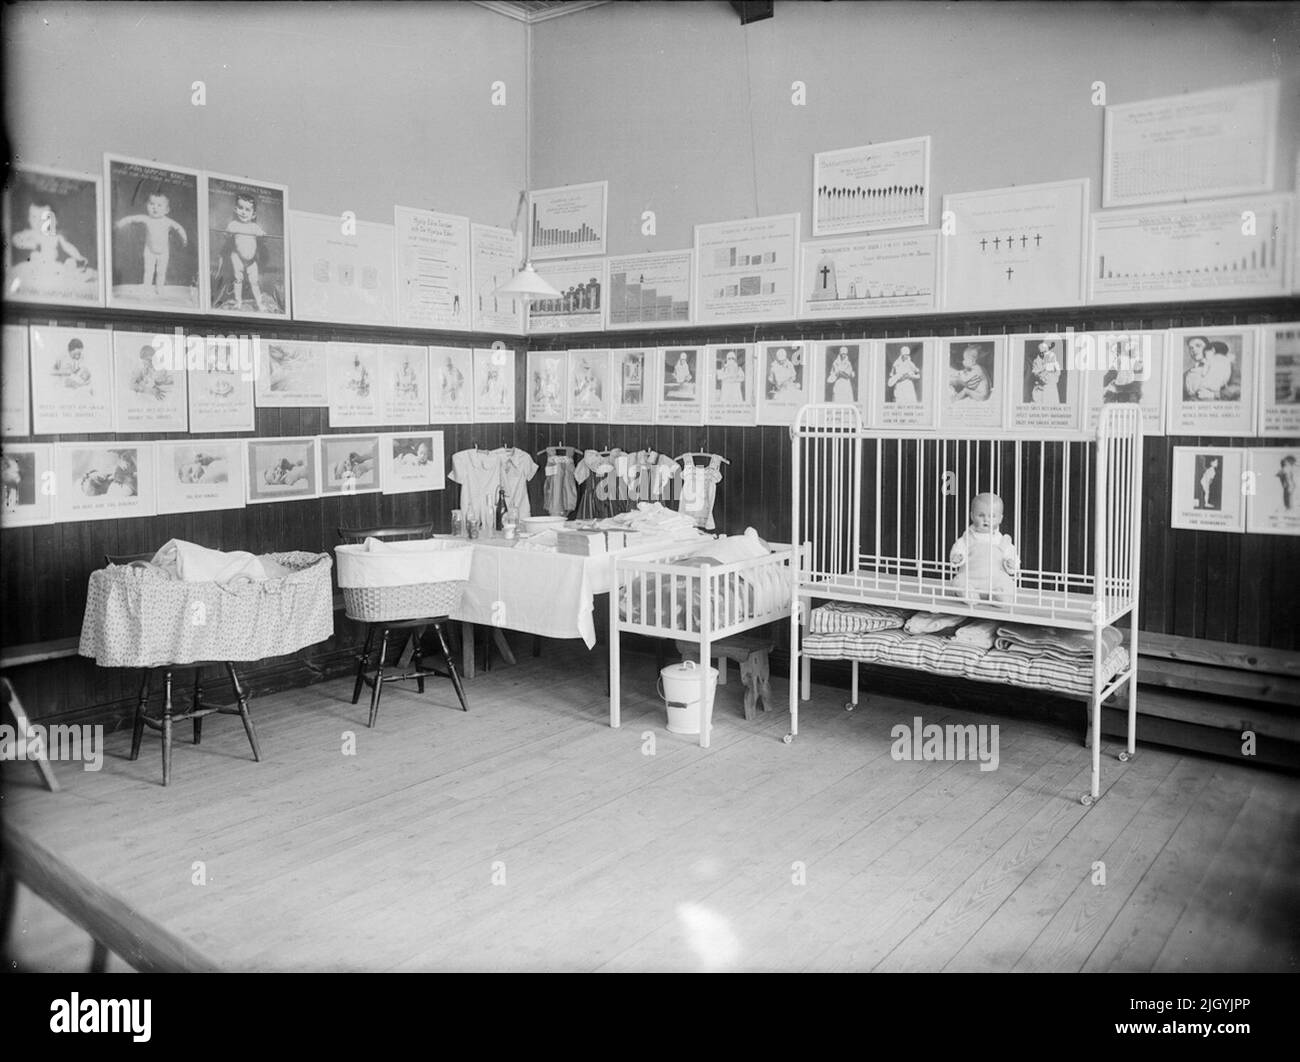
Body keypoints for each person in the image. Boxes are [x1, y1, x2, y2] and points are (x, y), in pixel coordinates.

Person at [949, 492, 1019, 605]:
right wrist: (957, 557)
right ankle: (969, 594)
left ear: (1000, 519)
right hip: (970, 578)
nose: (986, 519)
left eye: (992, 516)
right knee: (958, 582)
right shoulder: (967, 538)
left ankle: (999, 595)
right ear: (972, 516)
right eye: (981, 515)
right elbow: (958, 549)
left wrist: (1011, 563)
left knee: (1008, 583)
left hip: (994, 581)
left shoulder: (1003, 540)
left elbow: (1012, 555)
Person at [115, 192, 188, 295]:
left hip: (163, 252)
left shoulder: (167, 221)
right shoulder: (147, 219)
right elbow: (132, 218)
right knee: (148, 270)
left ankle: (160, 288)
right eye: (151, 204)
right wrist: (121, 222)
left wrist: (184, 238)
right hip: (149, 250)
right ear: (147, 206)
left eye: (159, 205)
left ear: (167, 210)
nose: (155, 208)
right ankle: (146, 288)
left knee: (161, 271)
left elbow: (179, 228)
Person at [11, 202, 88, 277]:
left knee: (66, 268)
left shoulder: (54, 236)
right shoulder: (31, 234)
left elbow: (68, 247)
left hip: (51, 265)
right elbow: (15, 239)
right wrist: (30, 244)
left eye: (42, 218)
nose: (38, 222)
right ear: (29, 219)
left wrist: (79, 256)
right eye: (34, 217)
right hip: (35, 265)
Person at [219, 194, 268, 310]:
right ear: (236, 209)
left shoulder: (254, 227)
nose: (243, 212)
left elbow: (264, 237)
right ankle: (238, 302)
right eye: (240, 208)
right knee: (238, 279)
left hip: (251, 260)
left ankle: (259, 303)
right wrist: (227, 234)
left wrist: (263, 236)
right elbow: (226, 236)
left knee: (254, 281)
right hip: (237, 257)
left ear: (253, 214)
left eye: (247, 210)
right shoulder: (233, 225)